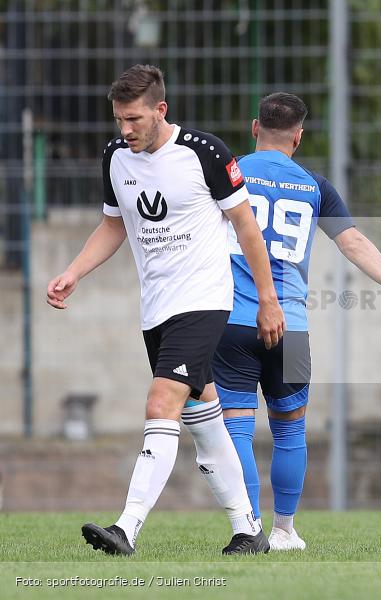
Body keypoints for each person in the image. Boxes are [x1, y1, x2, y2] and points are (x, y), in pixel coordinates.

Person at [47, 65, 286, 556]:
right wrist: (74, 271)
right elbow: (113, 226)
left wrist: (267, 299)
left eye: (134, 119)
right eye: (119, 119)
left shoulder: (206, 153)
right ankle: (248, 530)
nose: (125, 129)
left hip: (202, 301)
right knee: (203, 416)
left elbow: (245, 228)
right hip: (155, 308)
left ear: (161, 110)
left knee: (161, 405)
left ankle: (126, 528)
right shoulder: (117, 157)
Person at [214, 92, 381, 551]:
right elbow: (353, 242)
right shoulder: (314, 186)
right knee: (291, 428)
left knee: (236, 426)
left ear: (254, 127)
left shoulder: (228, 172)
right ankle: (284, 530)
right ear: (299, 137)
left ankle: (248, 528)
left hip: (233, 321)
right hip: (292, 330)